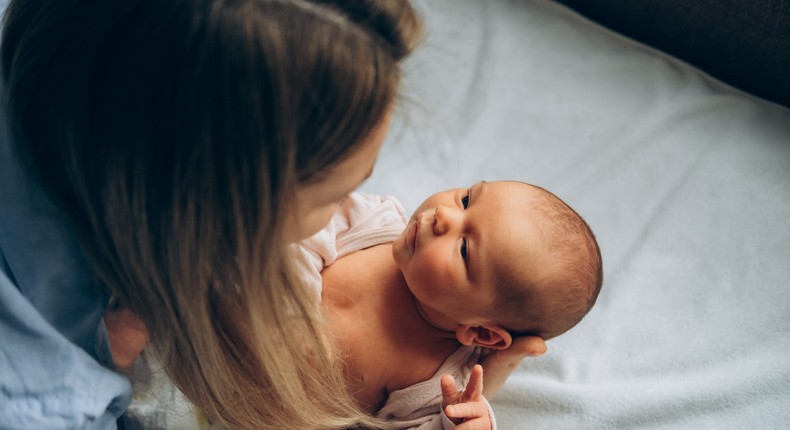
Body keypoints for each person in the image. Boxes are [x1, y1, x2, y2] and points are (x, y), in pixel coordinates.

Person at [0, 0, 421, 429]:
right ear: (205, 220)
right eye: (335, 196)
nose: (362, 204)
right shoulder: (50, 404)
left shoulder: (63, 53)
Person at [302, 181, 603, 428]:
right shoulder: (374, 220)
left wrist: (455, 422)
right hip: (260, 317)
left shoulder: (436, 384)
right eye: (467, 200)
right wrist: (293, 313)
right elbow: (292, 234)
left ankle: (504, 365)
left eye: (463, 249)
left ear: (482, 334)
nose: (445, 215)